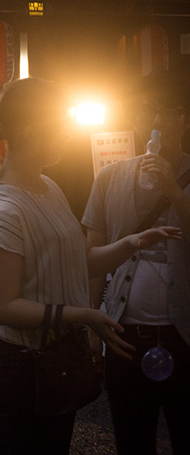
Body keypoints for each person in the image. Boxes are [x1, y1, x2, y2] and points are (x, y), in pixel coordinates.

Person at [0, 77, 180, 455]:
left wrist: (130, 243)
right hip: (20, 362)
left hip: (52, 356)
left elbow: (76, 261)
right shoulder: (6, 208)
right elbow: (3, 307)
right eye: (62, 126)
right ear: (34, 131)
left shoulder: (47, 186)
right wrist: (84, 314)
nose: (69, 136)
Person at [82, 70, 190, 455]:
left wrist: (175, 193)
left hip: (186, 337)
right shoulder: (109, 178)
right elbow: (92, 259)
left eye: (168, 111)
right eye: (147, 111)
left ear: (184, 121)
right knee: (131, 438)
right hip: (125, 335)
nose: (157, 121)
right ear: (133, 121)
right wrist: (93, 324)